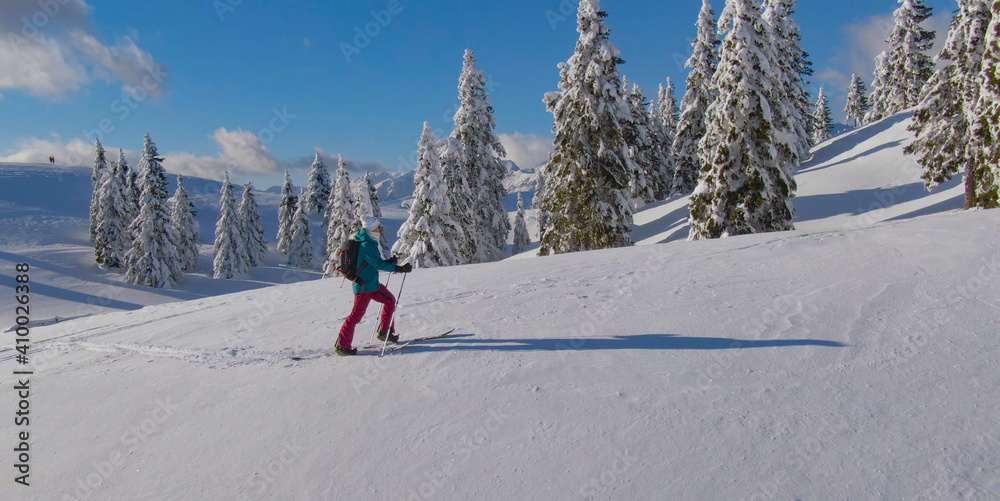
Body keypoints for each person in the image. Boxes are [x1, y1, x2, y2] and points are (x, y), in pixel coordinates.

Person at [335, 216, 412, 356]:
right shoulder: (366, 244)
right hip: (364, 287)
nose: (380, 228)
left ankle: (385, 332)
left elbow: (373, 262)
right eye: (378, 227)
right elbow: (377, 264)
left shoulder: (367, 241)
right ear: (371, 229)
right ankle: (342, 345)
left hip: (372, 284)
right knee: (356, 316)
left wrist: (390, 262)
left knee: (390, 301)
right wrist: (398, 268)